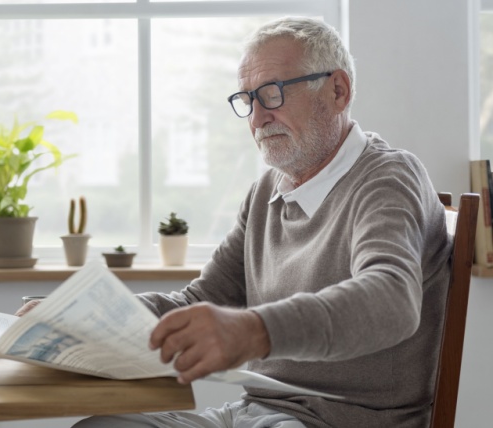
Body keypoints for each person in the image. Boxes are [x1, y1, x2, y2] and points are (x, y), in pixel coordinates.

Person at [64, 16, 451, 428]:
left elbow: (391, 301)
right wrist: (84, 316)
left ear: (338, 90)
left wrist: (254, 330)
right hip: (253, 415)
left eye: (273, 93)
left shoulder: (388, 179)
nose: (257, 118)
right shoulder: (268, 189)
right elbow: (202, 302)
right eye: (249, 100)